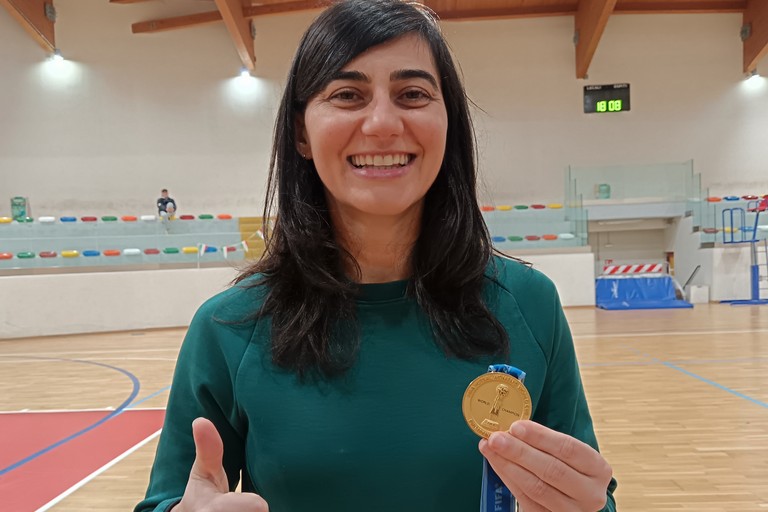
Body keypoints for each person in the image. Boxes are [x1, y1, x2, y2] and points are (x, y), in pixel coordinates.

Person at [136, 1, 617, 511]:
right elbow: (169, 500)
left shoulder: (530, 305)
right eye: (348, 95)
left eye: (412, 94)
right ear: (301, 131)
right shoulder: (228, 327)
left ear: (447, 122)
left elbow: (589, 497)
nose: (383, 123)